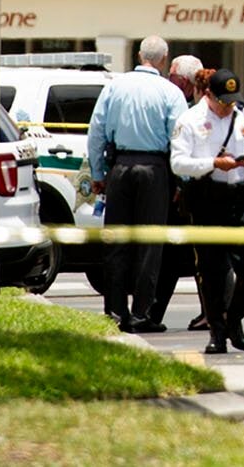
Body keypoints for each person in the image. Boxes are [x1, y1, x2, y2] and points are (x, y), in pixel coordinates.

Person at [85, 36, 186, 331]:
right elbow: (177, 140)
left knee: (116, 242)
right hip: (155, 170)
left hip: (120, 167)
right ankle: (141, 313)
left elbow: (96, 133)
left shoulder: (114, 86)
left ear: (139, 56)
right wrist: (180, 181)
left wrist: (98, 174)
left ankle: (115, 312)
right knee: (150, 243)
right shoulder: (171, 92)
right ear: (164, 59)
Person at [172, 67, 244, 354]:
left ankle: (234, 320)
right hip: (208, 199)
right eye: (223, 101)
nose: (228, 107)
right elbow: (178, 163)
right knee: (211, 270)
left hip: (240, 199)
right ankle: (216, 331)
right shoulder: (190, 120)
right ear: (207, 94)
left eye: (232, 100)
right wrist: (213, 164)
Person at [146, 54, 204, 331]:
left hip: (193, 191)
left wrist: (181, 186)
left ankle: (214, 314)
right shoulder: (180, 103)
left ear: (186, 81)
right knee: (177, 255)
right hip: (179, 188)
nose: (170, 81)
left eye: (174, 77)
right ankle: (155, 313)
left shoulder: (199, 110)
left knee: (197, 256)